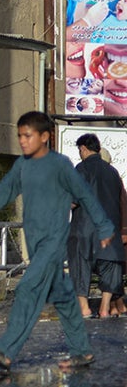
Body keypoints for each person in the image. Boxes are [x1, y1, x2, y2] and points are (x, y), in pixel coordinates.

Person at [0, 111, 114, 371]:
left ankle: (6, 351)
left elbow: (85, 195)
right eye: (20, 135)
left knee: (27, 289)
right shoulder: (23, 165)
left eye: (28, 136)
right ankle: (82, 352)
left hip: (53, 243)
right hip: (35, 242)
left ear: (45, 137)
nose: (22, 141)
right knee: (64, 298)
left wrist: (104, 226)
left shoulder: (61, 165)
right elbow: (5, 191)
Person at [67, 133, 125, 319]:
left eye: (80, 150)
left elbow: (73, 201)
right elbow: (121, 201)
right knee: (110, 267)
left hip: (84, 229)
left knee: (80, 267)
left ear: (83, 148)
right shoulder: (113, 172)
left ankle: (84, 308)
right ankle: (104, 307)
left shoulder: (80, 169)